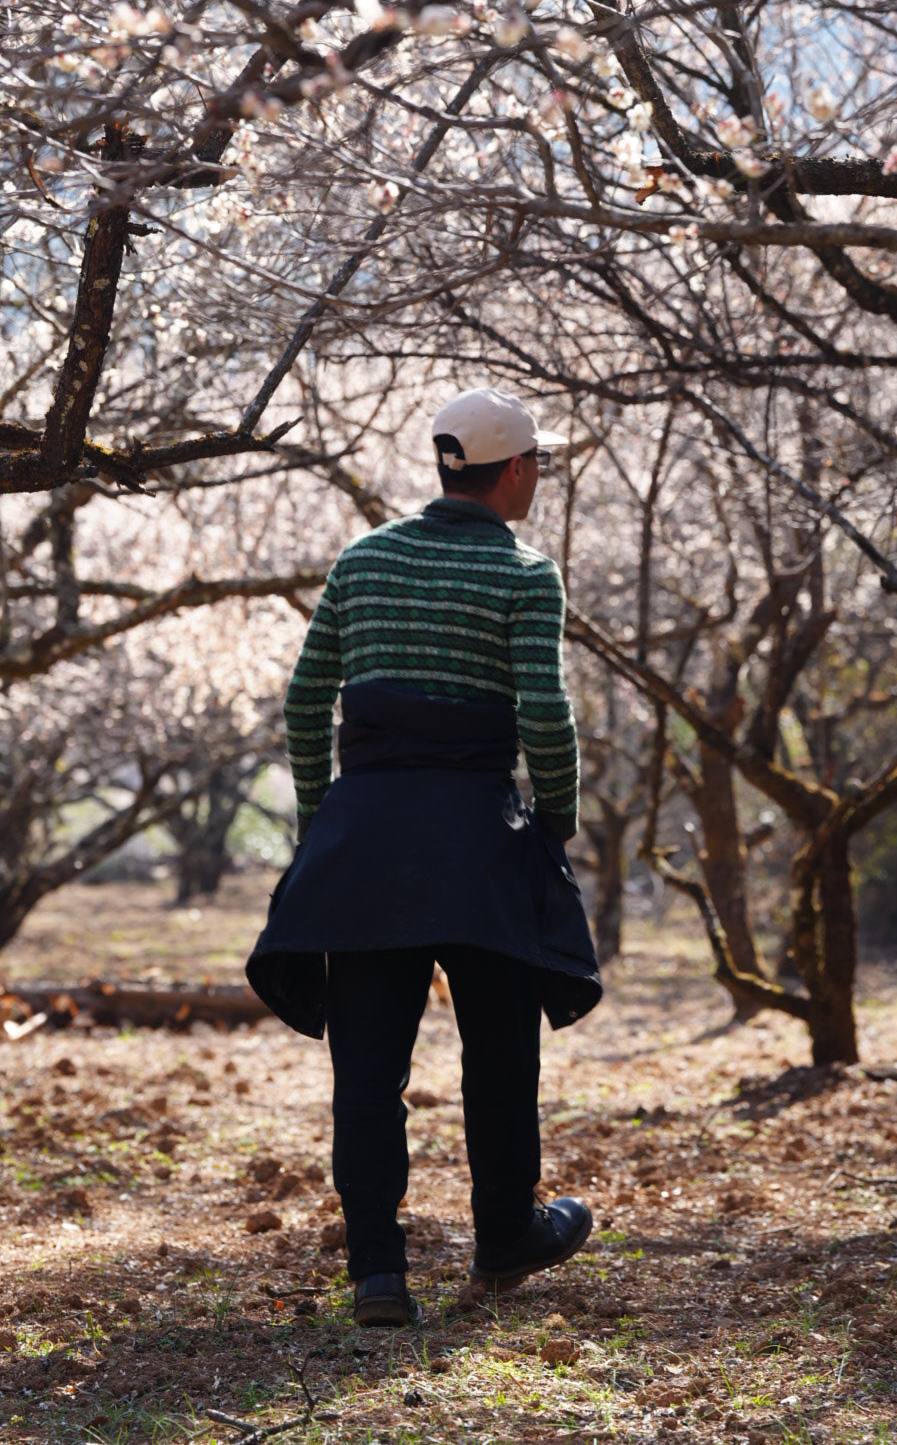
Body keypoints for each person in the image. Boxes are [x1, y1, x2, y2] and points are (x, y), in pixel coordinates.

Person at [247, 386, 602, 1329]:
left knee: (367, 1070)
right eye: (541, 465)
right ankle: (504, 1235)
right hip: (476, 842)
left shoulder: (362, 560)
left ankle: (377, 1274)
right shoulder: (526, 575)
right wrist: (554, 823)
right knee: (498, 1052)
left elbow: (303, 703)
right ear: (516, 470)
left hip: (364, 837)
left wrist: (330, 822)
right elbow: (546, 720)